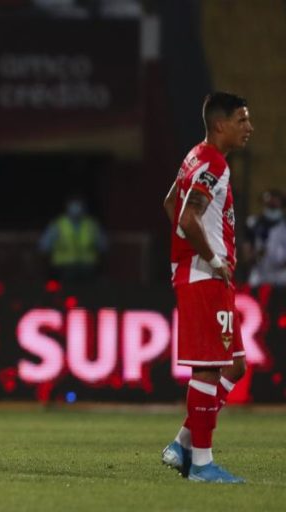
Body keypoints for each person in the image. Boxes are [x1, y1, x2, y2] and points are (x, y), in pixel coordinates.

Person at [161, 92, 253, 483]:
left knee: (235, 363)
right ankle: (200, 464)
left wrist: (184, 256)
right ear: (220, 124)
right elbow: (186, 215)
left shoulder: (195, 155)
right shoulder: (213, 162)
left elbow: (169, 202)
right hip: (206, 275)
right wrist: (212, 260)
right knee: (210, 368)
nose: (248, 127)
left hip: (199, 271)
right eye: (242, 120)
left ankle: (183, 442)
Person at [38, 195, 108, 283]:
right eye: (73, 205)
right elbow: (44, 246)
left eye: (78, 205)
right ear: (67, 207)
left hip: (88, 267)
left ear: (83, 207)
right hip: (63, 267)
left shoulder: (91, 224)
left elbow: (104, 246)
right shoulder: (58, 224)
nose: (76, 208)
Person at [243, 189, 286, 286]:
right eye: (270, 206)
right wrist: (255, 255)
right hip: (259, 275)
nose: (272, 209)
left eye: (274, 207)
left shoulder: (284, 226)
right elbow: (247, 256)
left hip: (282, 275)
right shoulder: (253, 223)